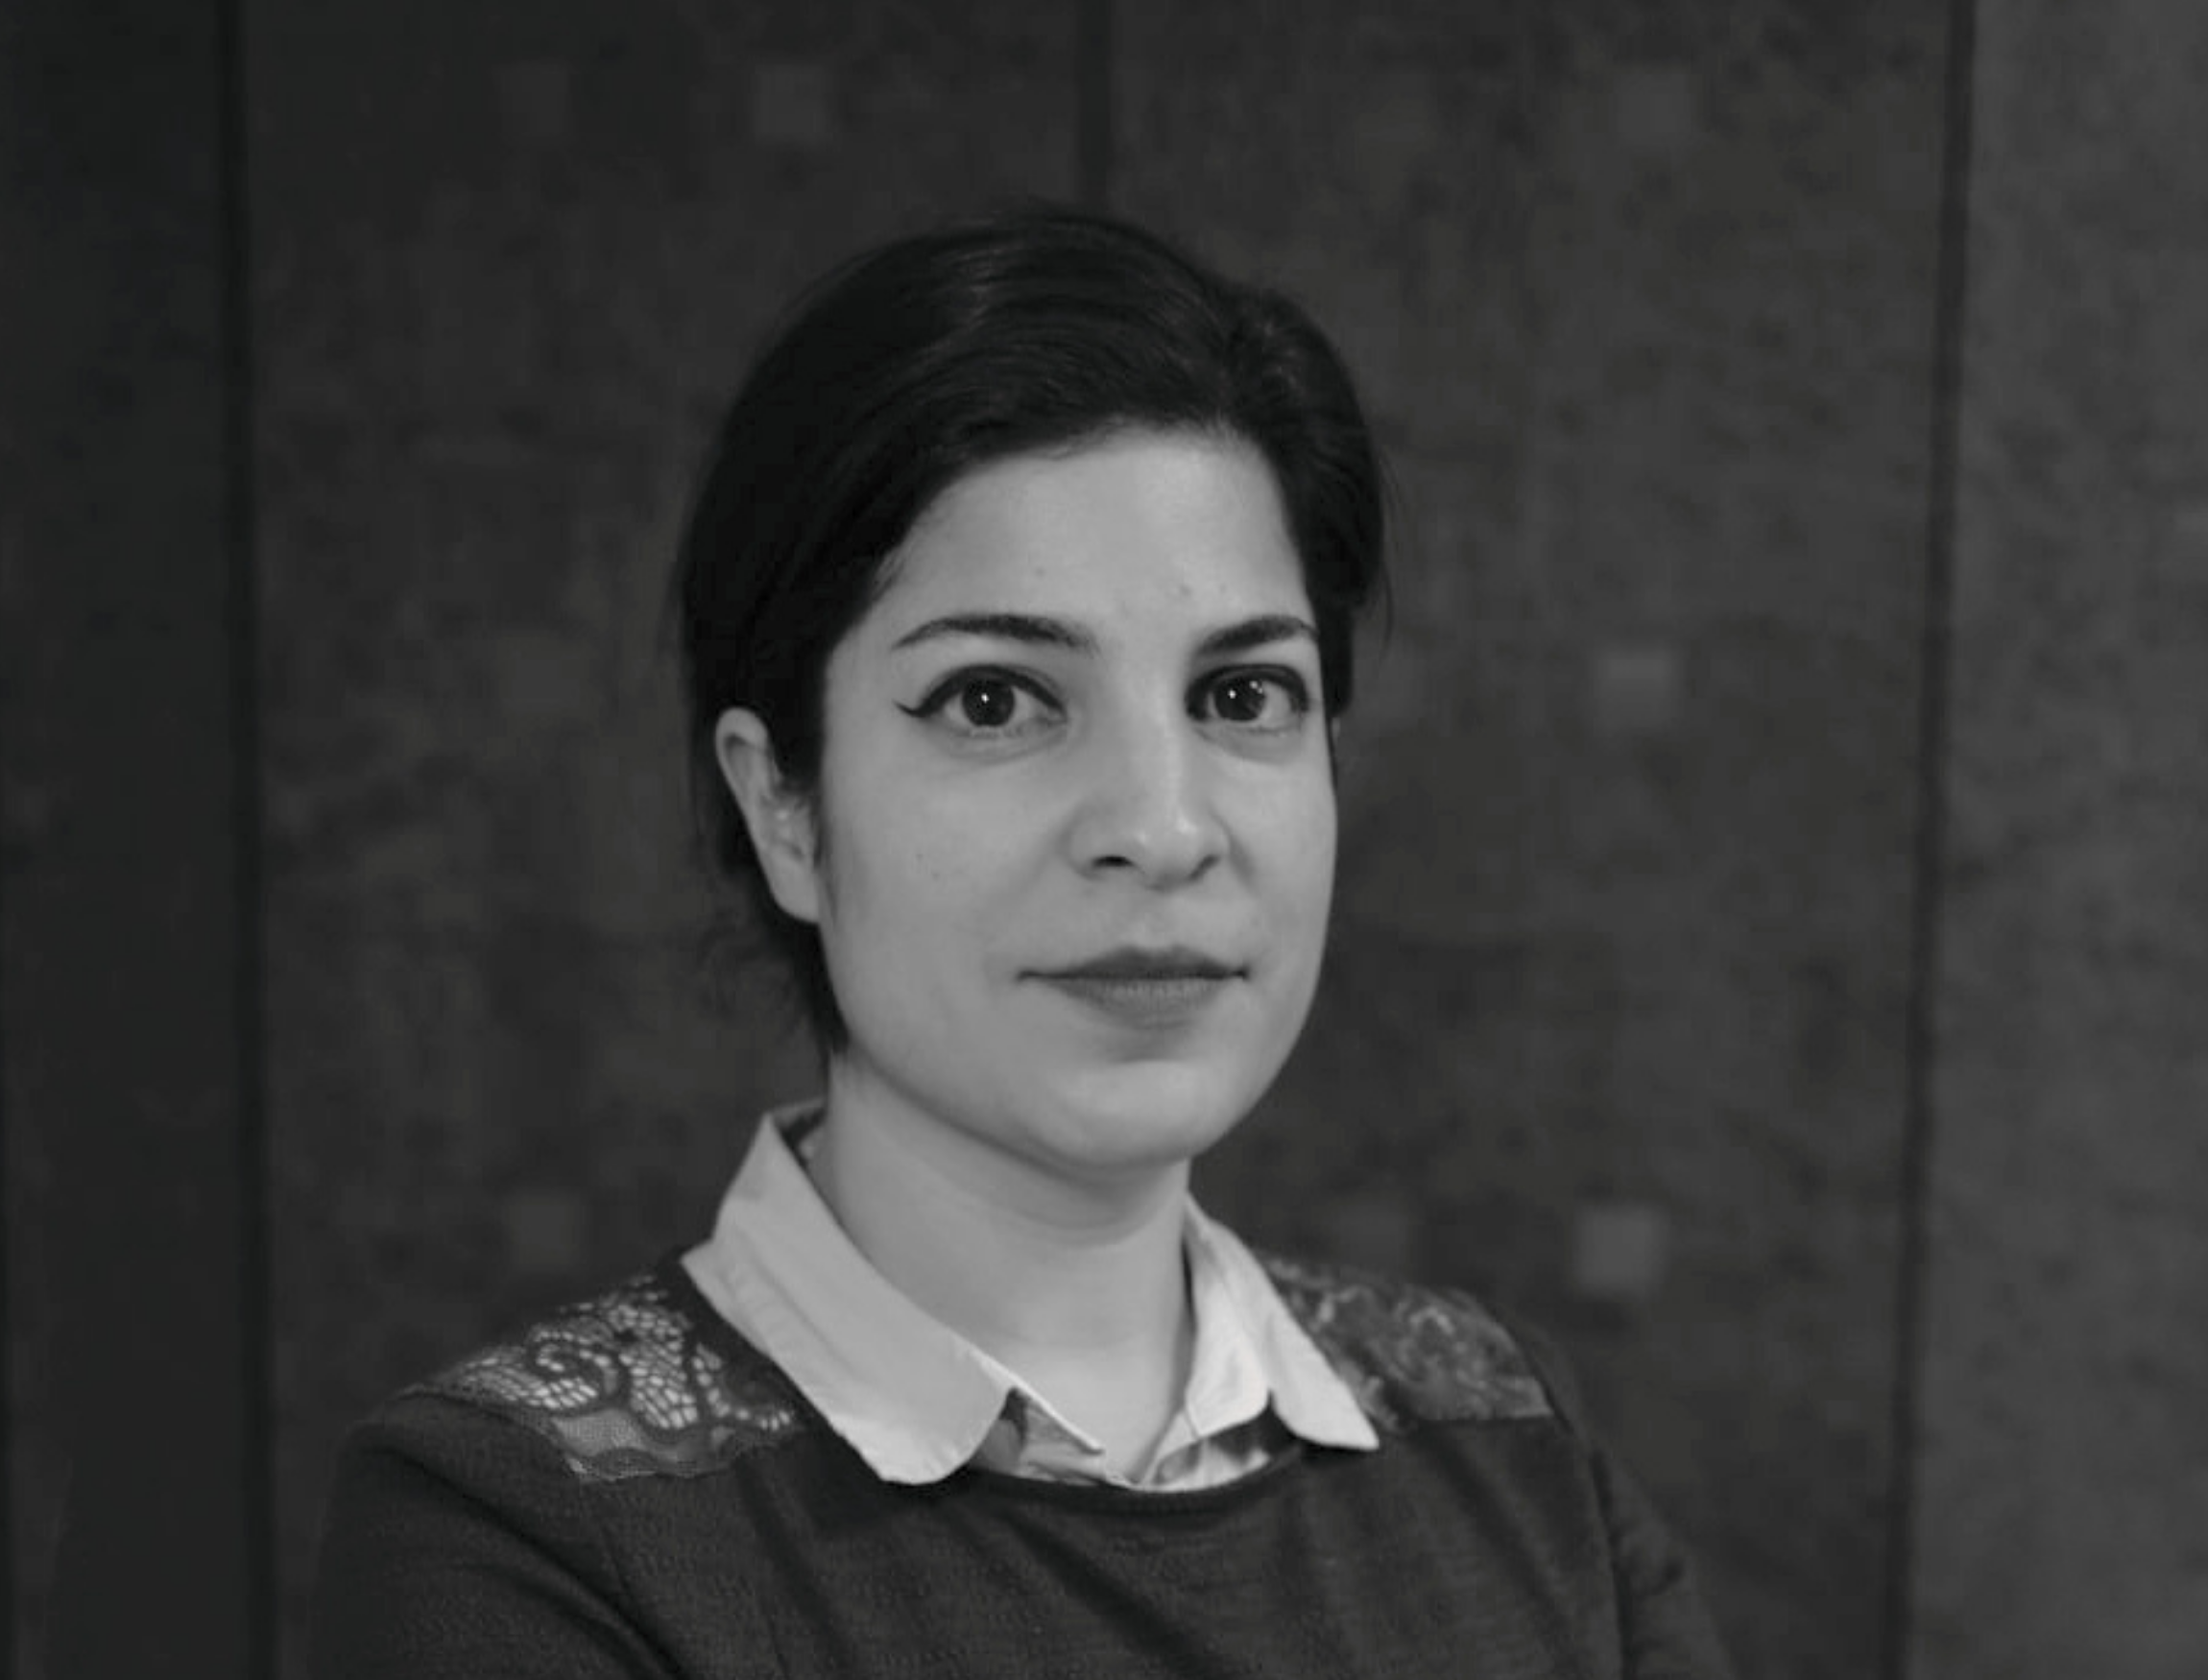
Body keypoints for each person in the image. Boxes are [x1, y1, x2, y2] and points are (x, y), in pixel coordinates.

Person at [311, 205, 1736, 1678]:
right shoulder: (527, 1528)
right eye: (993, 700)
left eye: (1243, 695)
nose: (1162, 827)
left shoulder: (1508, 1443)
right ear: (783, 804)